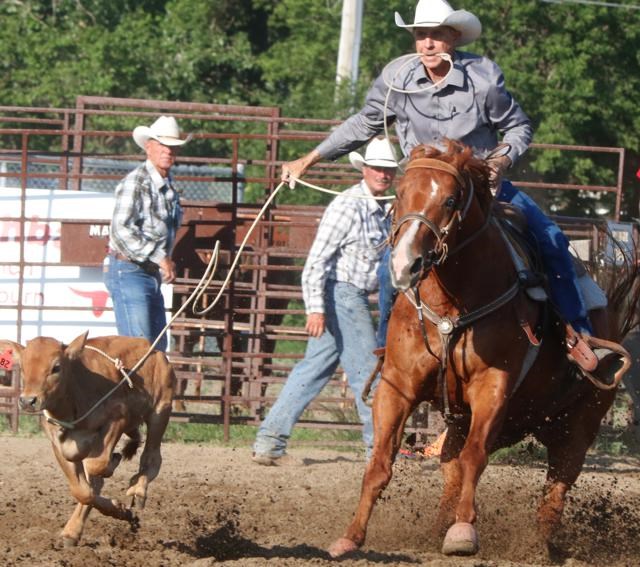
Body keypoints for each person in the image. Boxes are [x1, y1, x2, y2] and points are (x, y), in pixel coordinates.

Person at [281, 0, 608, 369]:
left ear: (454, 37)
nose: (428, 44)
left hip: (482, 188)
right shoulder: (397, 80)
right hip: (424, 196)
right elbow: (363, 123)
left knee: (550, 240)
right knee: (393, 263)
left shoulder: (482, 77)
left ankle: (577, 333)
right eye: (421, 35)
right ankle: (387, 350)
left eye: (437, 35)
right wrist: (309, 159)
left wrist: (500, 160)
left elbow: (519, 126)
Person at [252, 137, 398, 465]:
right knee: (366, 372)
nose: (383, 174)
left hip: (348, 296)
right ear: (364, 169)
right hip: (343, 295)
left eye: (388, 169)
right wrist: (314, 307)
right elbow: (317, 259)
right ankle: (378, 451)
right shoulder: (348, 205)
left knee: (313, 369)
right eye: (377, 168)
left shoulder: (382, 208)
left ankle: (269, 442)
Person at [104, 115, 190, 352]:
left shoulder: (167, 186)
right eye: (163, 145)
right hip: (130, 270)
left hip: (146, 273)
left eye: (172, 147)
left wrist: (160, 259)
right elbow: (121, 229)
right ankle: (133, 390)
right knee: (139, 349)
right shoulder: (136, 182)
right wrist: (160, 256)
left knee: (154, 350)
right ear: (149, 147)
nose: (168, 151)